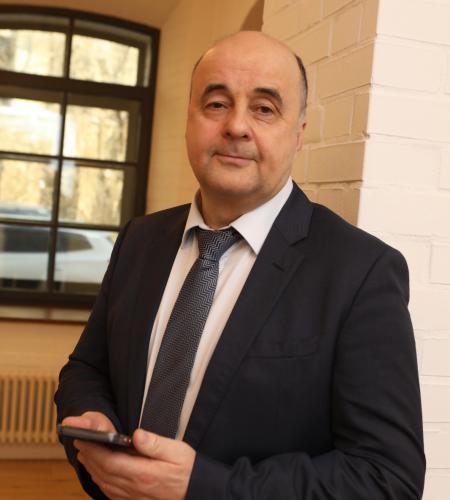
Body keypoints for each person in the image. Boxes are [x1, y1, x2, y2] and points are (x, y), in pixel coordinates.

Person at [55, 31, 425, 499]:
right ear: (188, 120)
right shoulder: (138, 240)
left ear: (299, 134)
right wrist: (92, 421)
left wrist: (202, 487)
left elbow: (386, 478)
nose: (236, 126)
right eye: (216, 104)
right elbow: (86, 368)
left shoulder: (361, 273)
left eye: (264, 109)